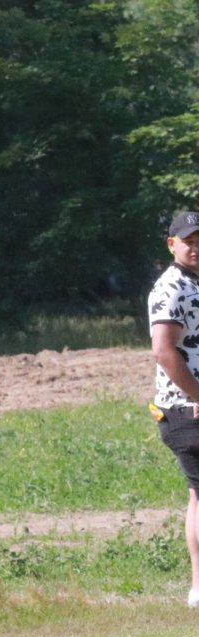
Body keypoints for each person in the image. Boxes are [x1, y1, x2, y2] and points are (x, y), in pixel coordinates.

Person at [147, 211, 199, 607]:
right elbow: (164, 351)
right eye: (189, 241)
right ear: (172, 244)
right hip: (186, 408)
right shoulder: (172, 288)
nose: (195, 247)